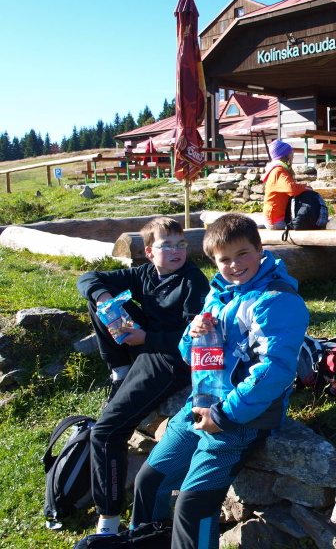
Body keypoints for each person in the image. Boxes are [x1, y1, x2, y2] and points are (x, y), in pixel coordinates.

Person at [131, 213, 309, 549]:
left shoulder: (277, 300)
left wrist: (223, 415)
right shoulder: (220, 293)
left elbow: (274, 370)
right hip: (201, 403)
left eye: (242, 254)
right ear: (214, 261)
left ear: (259, 249)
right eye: (224, 259)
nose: (234, 265)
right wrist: (192, 333)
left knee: (193, 506)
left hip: (243, 417)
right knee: (150, 480)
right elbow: (191, 356)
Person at [76, 217, 210, 535]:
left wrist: (146, 339)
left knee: (107, 432)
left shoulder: (193, 281)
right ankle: (120, 371)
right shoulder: (146, 273)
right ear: (149, 253)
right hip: (147, 345)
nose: (177, 251)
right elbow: (88, 278)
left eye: (181, 244)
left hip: (171, 360)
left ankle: (109, 523)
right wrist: (104, 299)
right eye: (167, 245)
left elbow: (197, 340)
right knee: (101, 300)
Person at [262, 139, 311, 230]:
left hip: (274, 217)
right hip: (275, 220)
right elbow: (292, 189)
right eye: (291, 153)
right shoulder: (279, 171)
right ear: (285, 156)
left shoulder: (278, 169)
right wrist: (308, 188)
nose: (293, 156)